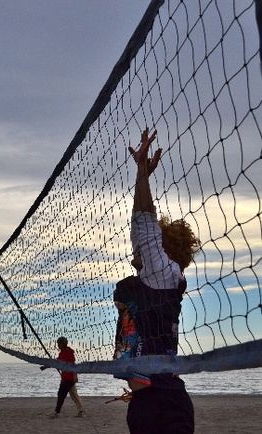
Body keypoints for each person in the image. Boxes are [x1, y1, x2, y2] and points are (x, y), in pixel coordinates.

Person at [113, 128, 200, 434]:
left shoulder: (163, 274)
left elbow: (145, 225)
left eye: (147, 248)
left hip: (162, 400)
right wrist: (142, 177)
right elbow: (141, 230)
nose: (135, 249)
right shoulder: (154, 278)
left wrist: (142, 174)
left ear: (163, 250)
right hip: (150, 397)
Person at [46, 337, 84, 419]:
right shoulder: (62, 353)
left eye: (58, 343)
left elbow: (73, 365)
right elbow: (57, 362)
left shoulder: (69, 352)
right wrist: (46, 366)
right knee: (74, 395)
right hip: (65, 377)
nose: (58, 345)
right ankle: (81, 410)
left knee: (61, 395)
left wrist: (75, 376)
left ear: (62, 344)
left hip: (69, 378)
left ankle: (56, 412)